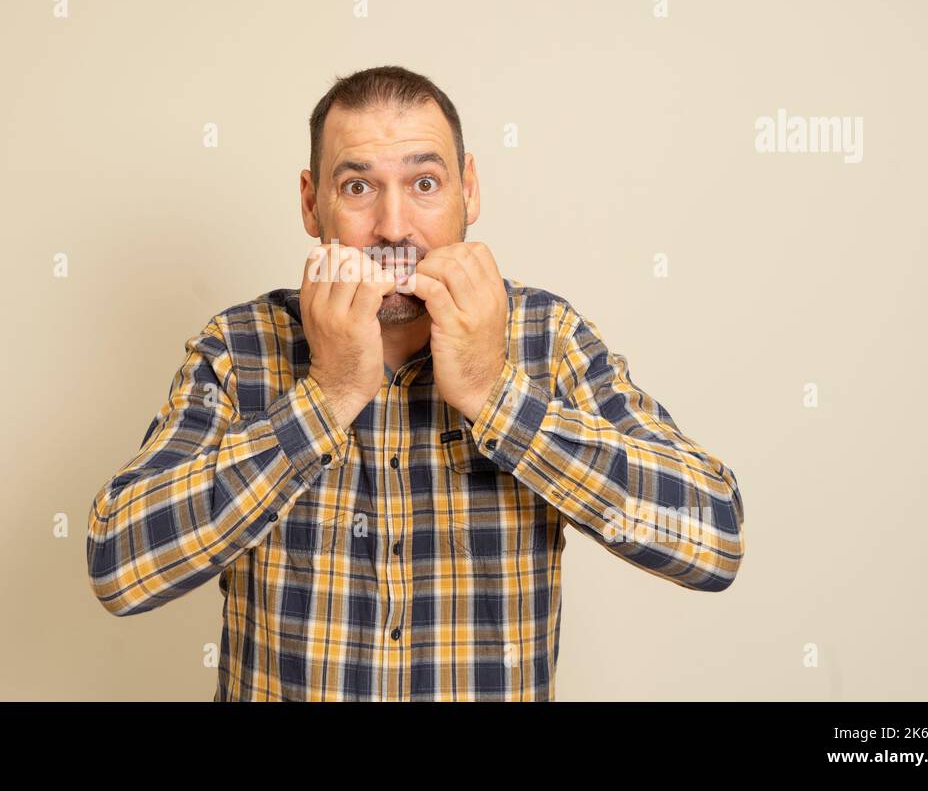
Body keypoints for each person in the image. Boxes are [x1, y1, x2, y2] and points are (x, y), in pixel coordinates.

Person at [85, 65, 746, 701]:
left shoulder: (547, 337)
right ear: (312, 203)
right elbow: (118, 568)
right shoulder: (241, 347)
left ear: (471, 190)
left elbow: (712, 538)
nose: (395, 227)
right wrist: (327, 397)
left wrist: (494, 395)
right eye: (358, 188)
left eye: (425, 184)